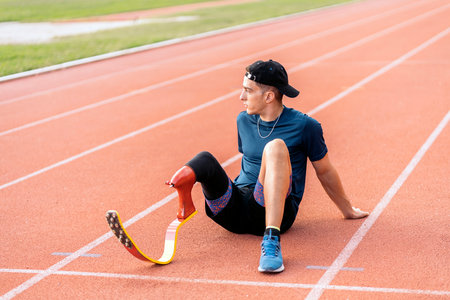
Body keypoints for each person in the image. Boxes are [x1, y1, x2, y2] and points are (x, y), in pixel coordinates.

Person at [166, 59, 369, 273]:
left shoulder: (305, 126)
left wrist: (347, 210)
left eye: (247, 91)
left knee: (275, 147)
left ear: (269, 96)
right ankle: (183, 195)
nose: (241, 97)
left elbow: (325, 171)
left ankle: (271, 242)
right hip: (232, 212)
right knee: (204, 159)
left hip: (270, 212)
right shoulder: (243, 120)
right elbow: (248, 164)